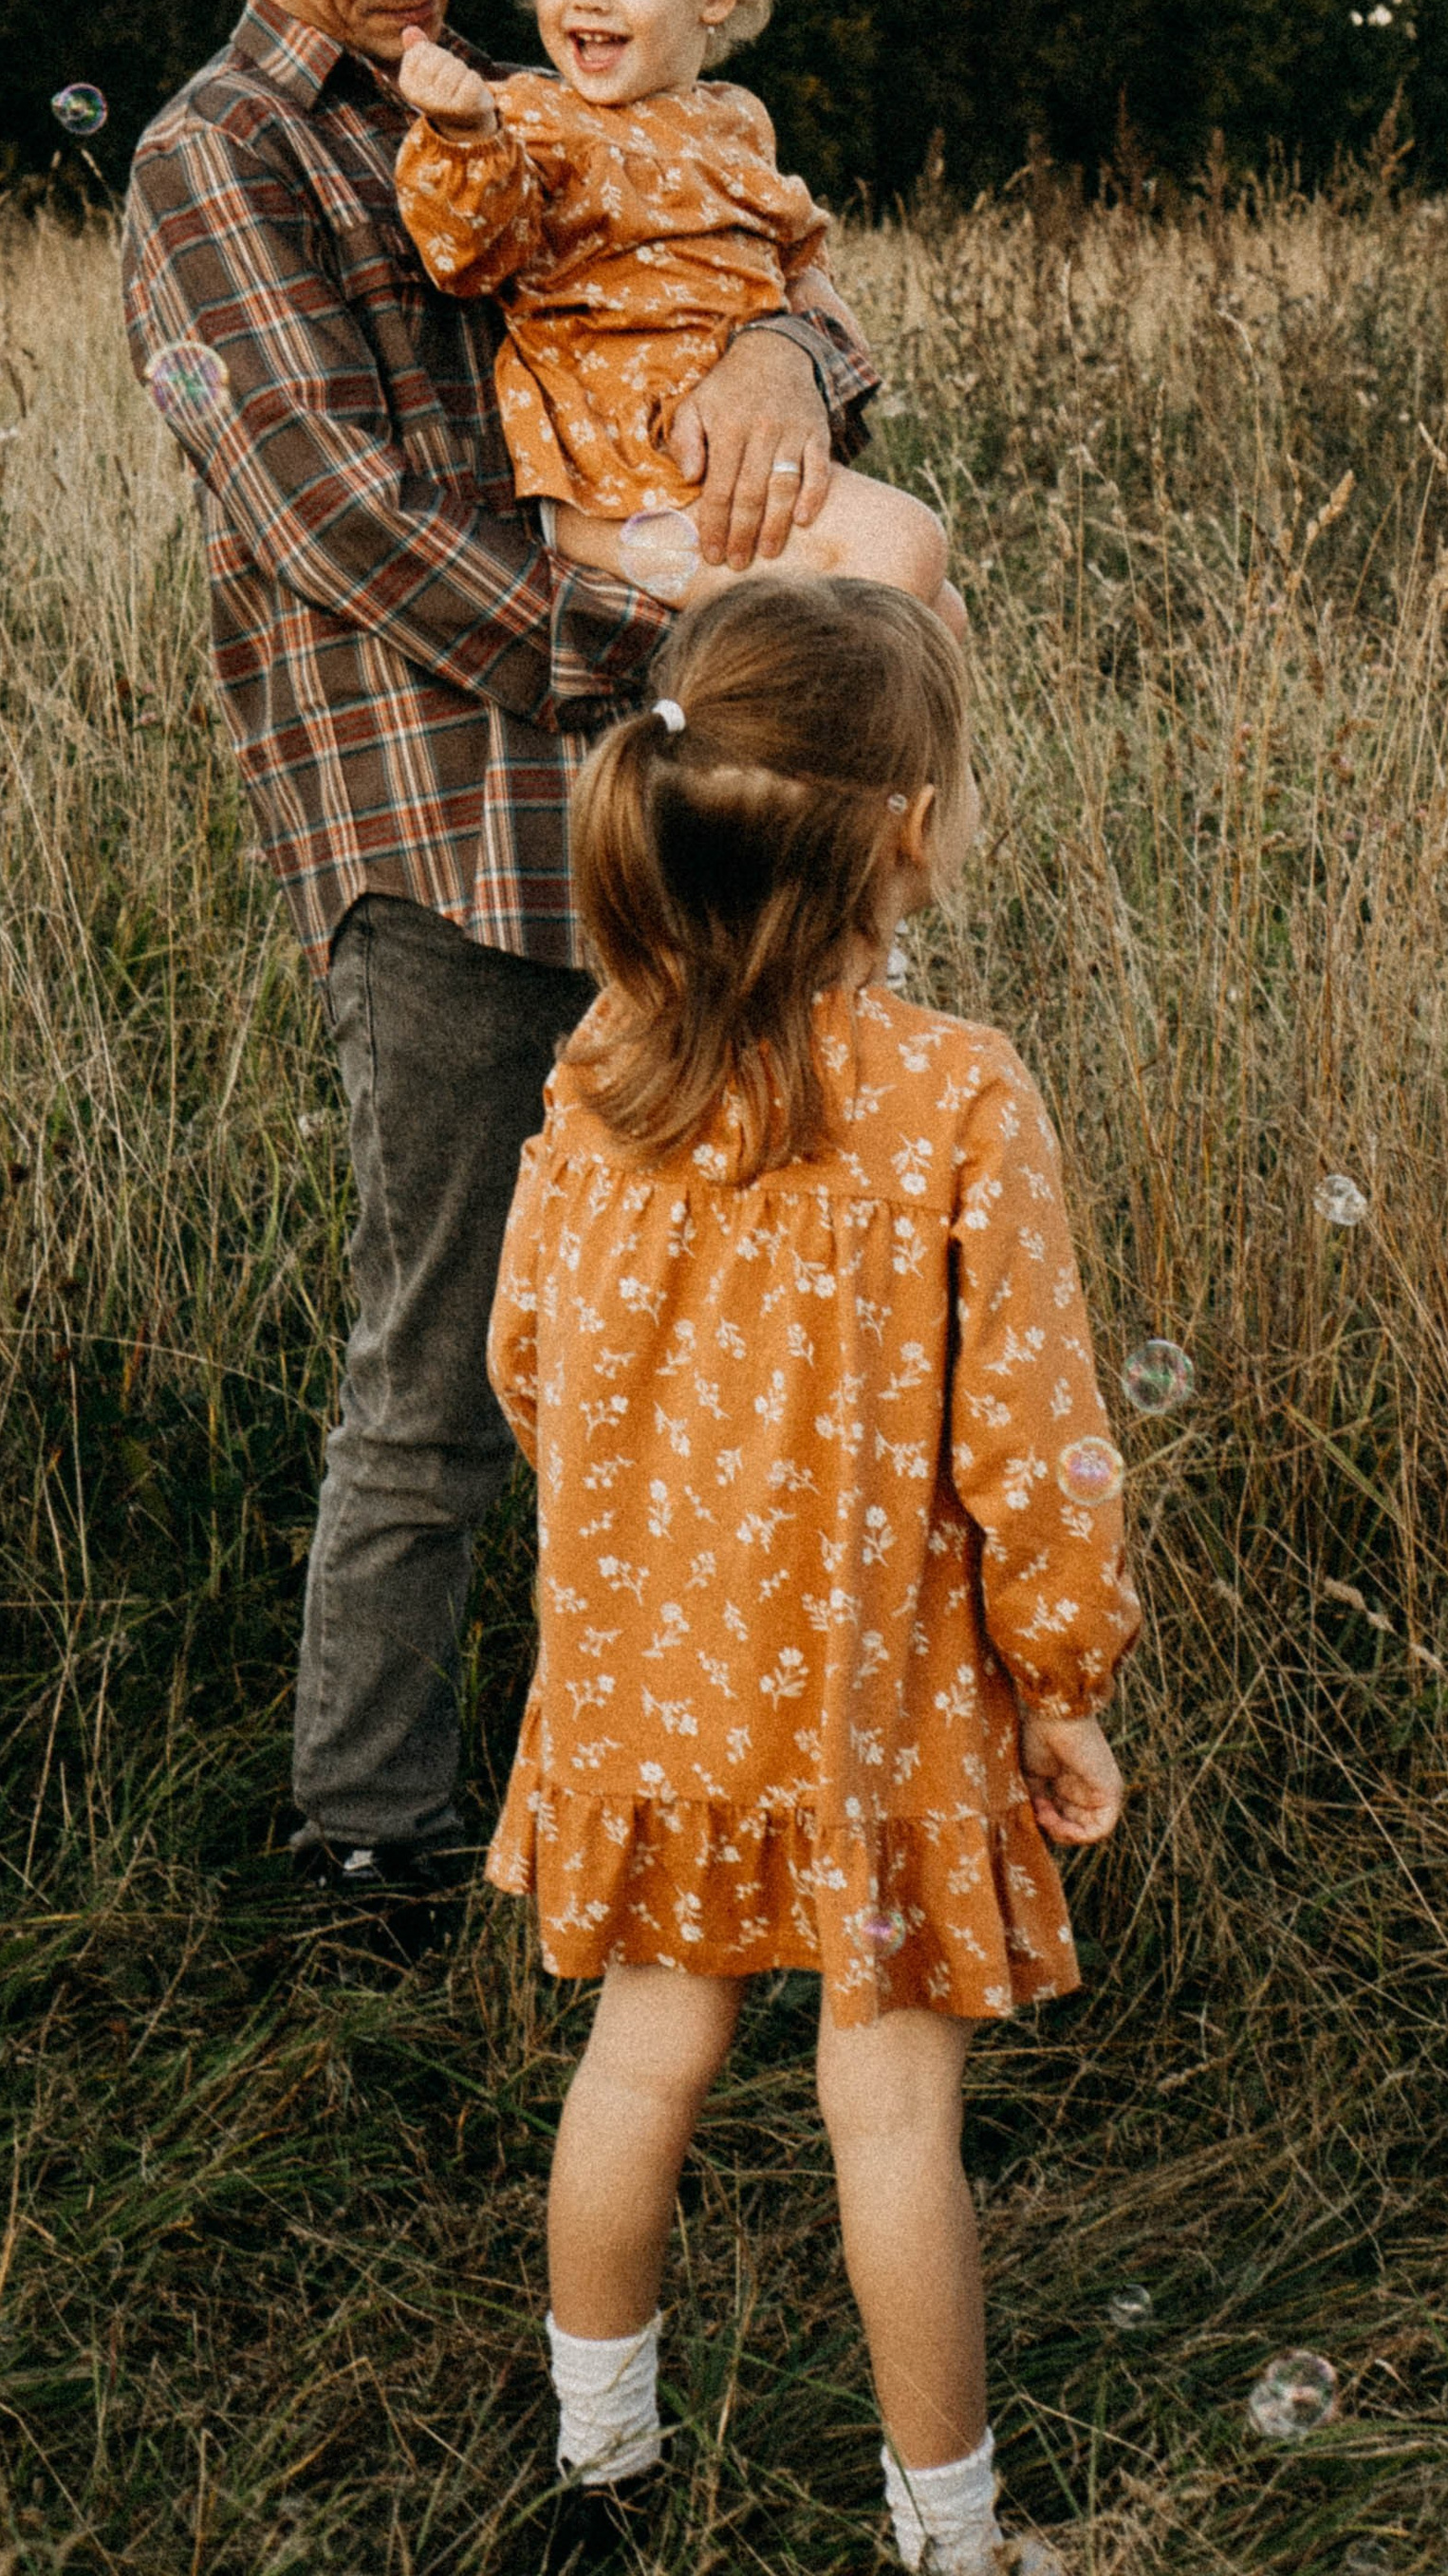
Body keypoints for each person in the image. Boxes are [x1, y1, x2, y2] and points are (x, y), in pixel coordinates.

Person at [119, 0, 879, 1913]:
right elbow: (317, 507)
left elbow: (777, 270)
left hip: (681, 830)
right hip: (438, 832)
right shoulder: (212, 167)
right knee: (441, 1360)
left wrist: (775, 359)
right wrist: (663, 647)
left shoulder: (565, 87)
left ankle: (672, 1793)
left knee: (707, 1330)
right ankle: (369, 1833)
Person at [483, 575, 1139, 2573]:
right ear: (909, 829)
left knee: (641, 2054)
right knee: (888, 2119)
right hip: (880, 1704)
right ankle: (947, 2537)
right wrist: (1063, 1677)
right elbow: (1030, 1449)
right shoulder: (951, 1097)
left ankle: (598, 2467)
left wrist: (646, 1530)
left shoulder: (599, 1077)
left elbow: (523, 1361)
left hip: (638, 1684)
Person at [395, 0, 962, 631]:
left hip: (720, 470)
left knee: (944, 618)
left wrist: (796, 349)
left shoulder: (735, 123)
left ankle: (908, 778)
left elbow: (801, 263)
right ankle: (814, 762)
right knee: (908, 547)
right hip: (619, 484)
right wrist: (464, 135)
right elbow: (471, 252)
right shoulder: (529, 118)